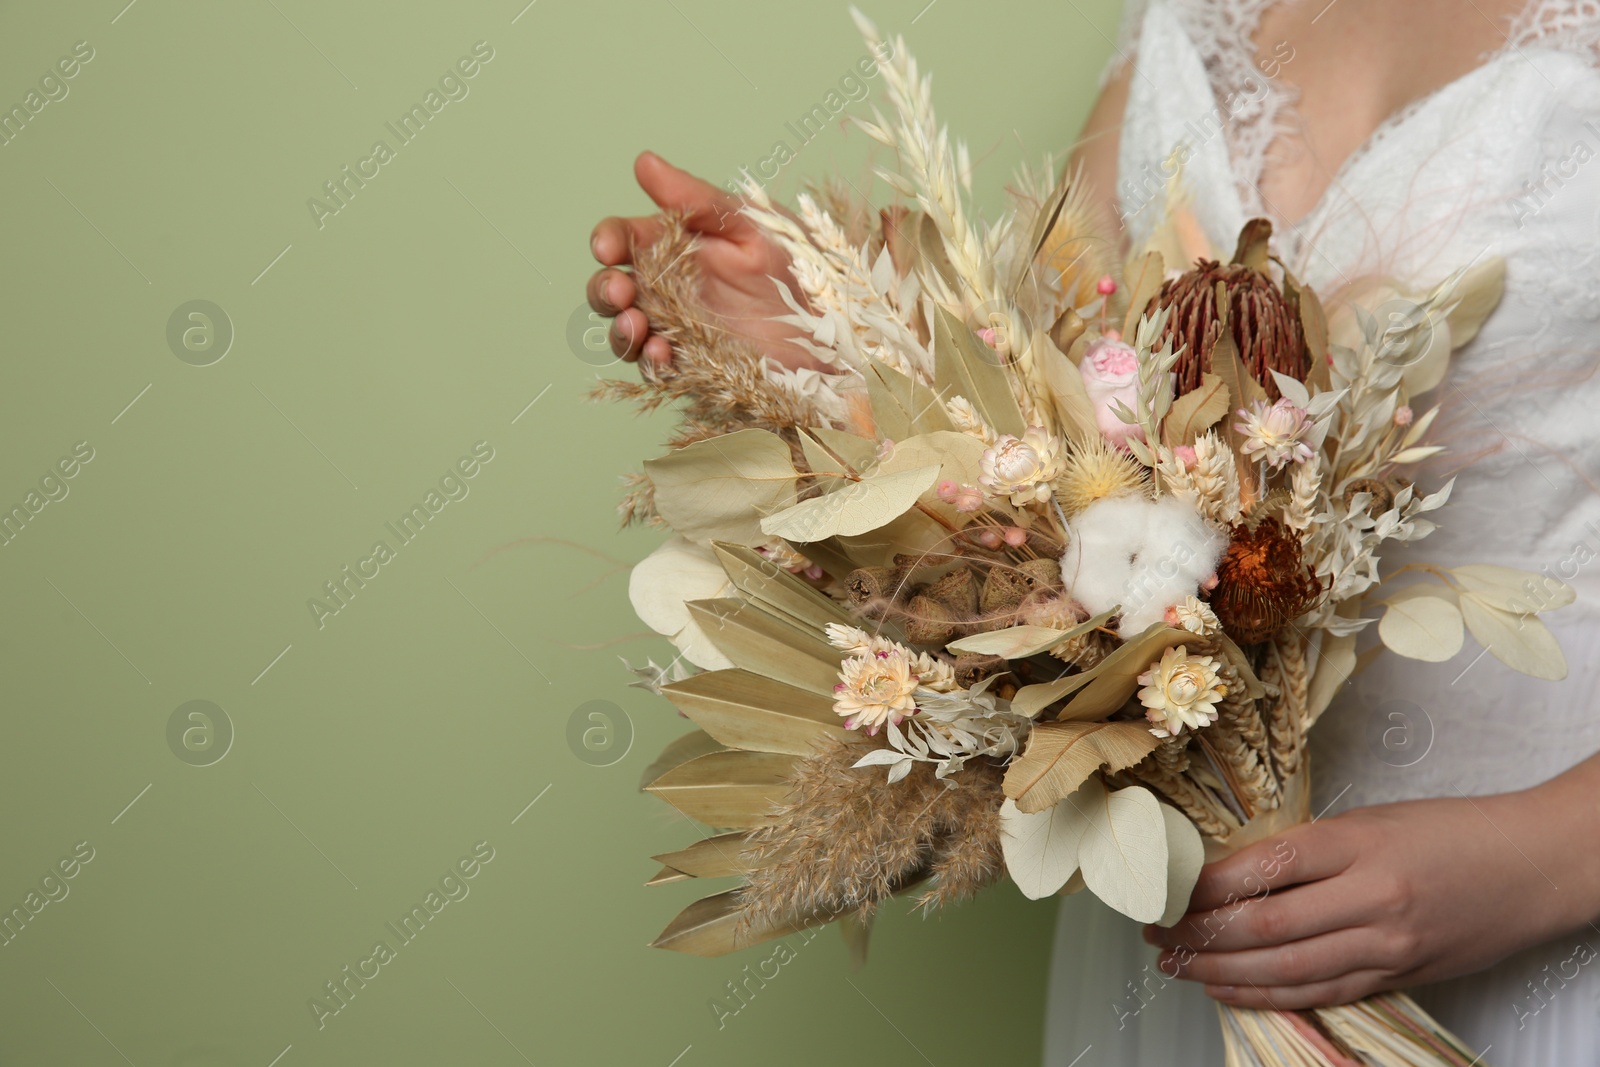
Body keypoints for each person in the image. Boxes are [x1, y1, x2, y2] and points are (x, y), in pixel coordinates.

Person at [587, 2, 1600, 1061]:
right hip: (1191, 918)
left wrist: (1543, 861)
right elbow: (1076, 406)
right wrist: (845, 357)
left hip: (1534, 939)